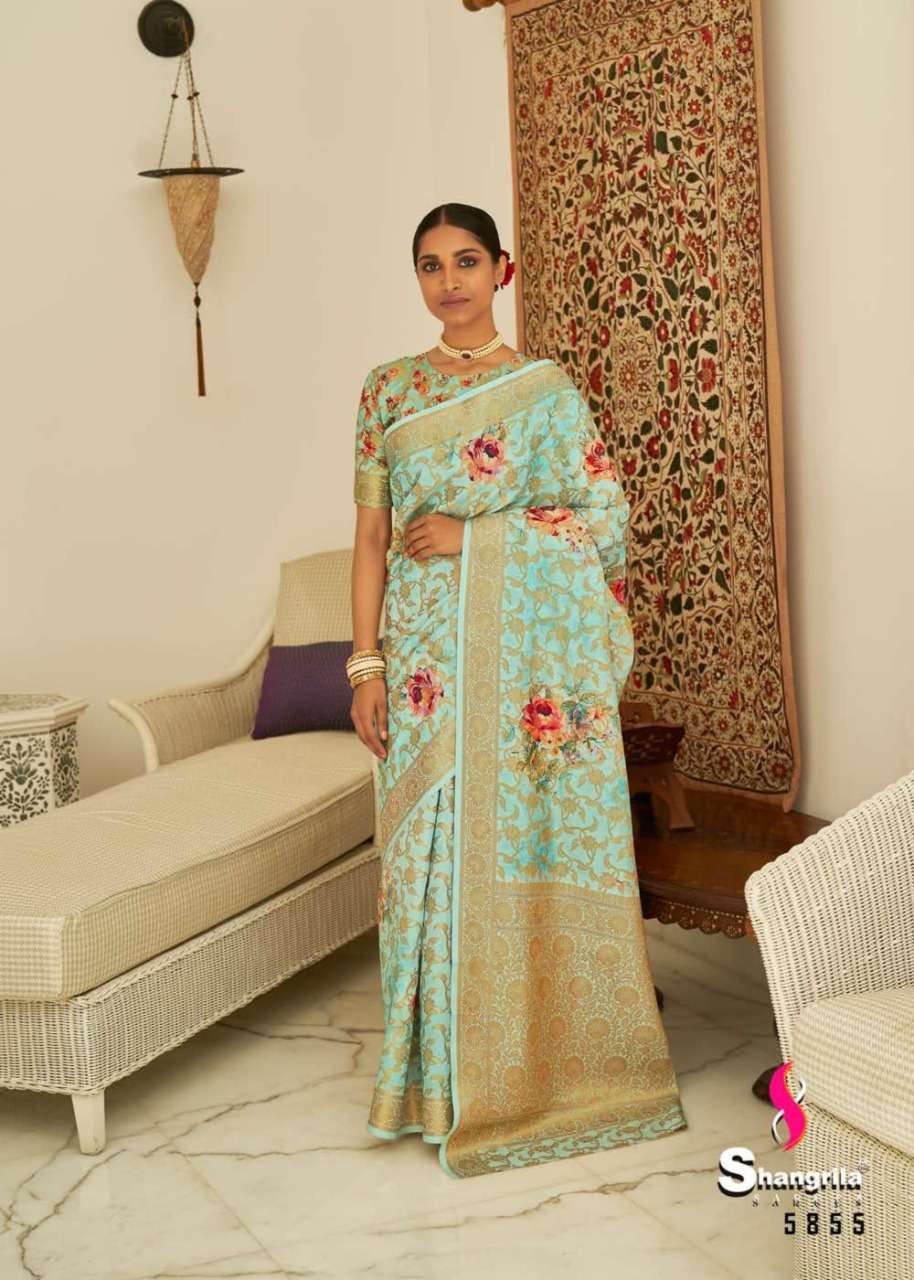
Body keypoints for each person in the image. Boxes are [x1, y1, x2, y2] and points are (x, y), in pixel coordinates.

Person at [349, 202, 686, 1179]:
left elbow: (604, 525)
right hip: (422, 664)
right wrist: (364, 663)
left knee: (512, 841)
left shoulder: (545, 392)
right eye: (429, 265)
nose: (448, 280)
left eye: (465, 261)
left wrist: (478, 536)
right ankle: (429, 1083)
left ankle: (529, 1068)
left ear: (501, 269)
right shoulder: (386, 390)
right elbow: (369, 537)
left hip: (517, 667)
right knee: (421, 858)